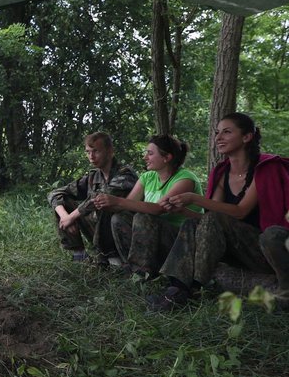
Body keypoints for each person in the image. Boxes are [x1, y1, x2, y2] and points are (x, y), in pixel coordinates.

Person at [152, 113, 289, 310]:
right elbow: (210, 221)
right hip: (237, 249)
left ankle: (196, 287)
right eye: (217, 133)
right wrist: (184, 210)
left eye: (226, 132)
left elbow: (240, 212)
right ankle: (177, 287)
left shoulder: (265, 167)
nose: (218, 138)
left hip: (265, 249)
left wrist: (194, 198)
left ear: (247, 137)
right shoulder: (222, 172)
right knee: (193, 223)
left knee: (216, 218)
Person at [94, 135, 202, 277]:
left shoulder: (185, 179)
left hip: (180, 241)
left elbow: (158, 209)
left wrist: (117, 201)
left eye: (150, 153)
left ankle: (141, 273)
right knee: (119, 218)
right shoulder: (148, 177)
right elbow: (127, 205)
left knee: (143, 218)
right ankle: (132, 267)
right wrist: (104, 203)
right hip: (154, 238)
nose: (145, 157)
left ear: (167, 157)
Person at [47, 132, 138, 264]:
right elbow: (55, 193)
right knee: (64, 201)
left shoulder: (125, 174)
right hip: (98, 230)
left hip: (125, 232)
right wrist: (64, 216)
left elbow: (100, 199)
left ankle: (113, 258)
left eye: (96, 151)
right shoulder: (93, 176)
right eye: (88, 152)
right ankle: (79, 255)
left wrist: (72, 217)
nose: (91, 156)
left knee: (105, 208)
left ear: (110, 151)